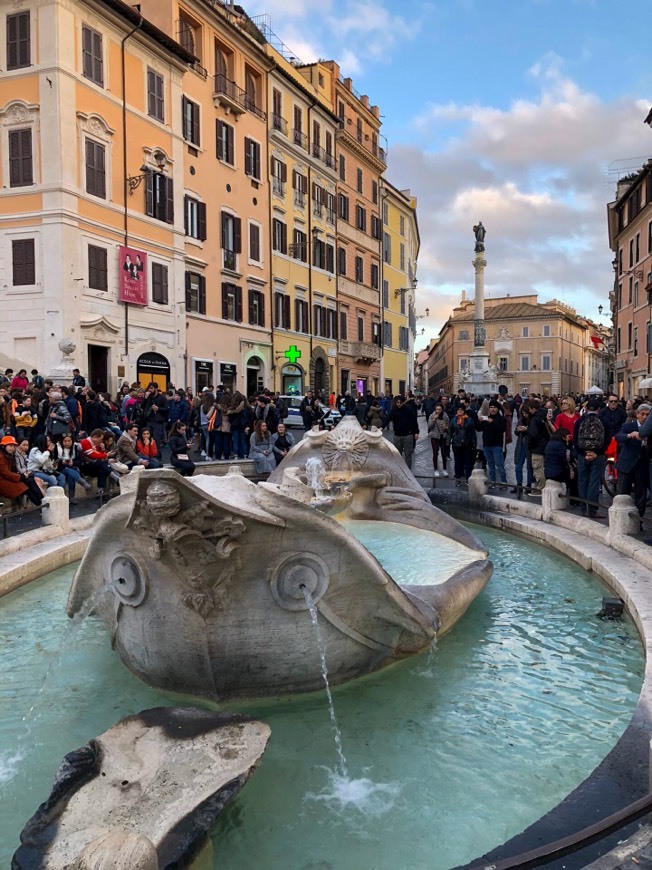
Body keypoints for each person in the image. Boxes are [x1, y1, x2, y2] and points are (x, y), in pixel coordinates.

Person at [573, 399, 610, 519]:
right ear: (599, 409)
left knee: (582, 481)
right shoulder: (603, 421)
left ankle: (584, 508)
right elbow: (607, 439)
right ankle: (592, 509)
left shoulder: (579, 421)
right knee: (594, 482)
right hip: (598, 456)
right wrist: (597, 453)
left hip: (582, 456)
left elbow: (575, 440)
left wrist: (584, 453)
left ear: (587, 408)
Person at [615, 403, 650, 520]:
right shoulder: (629, 426)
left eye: (647, 415)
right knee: (623, 494)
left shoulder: (650, 429)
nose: (645, 417)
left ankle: (638, 520)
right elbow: (619, 436)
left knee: (641, 495)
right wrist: (630, 436)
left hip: (642, 465)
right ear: (637, 414)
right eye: (642, 414)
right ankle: (621, 519)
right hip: (627, 464)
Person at [0, 435, 43, 505]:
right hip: (2, 482)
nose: (12, 448)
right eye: (10, 446)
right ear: (3, 446)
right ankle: (41, 505)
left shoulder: (9, 455)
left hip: (9, 478)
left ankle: (42, 502)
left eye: (14, 446)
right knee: (27, 489)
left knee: (30, 480)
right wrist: (21, 476)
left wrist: (23, 475)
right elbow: (6, 473)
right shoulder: (1, 457)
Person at [477, 399, 507, 487]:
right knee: (490, 465)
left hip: (497, 445)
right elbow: (479, 428)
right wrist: (480, 421)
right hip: (486, 445)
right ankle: (493, 481)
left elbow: (502, 429)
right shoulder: (486, 418)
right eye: (491, 407)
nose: (492, 409)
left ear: (497, 408)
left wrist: (493, 422)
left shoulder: (501, 419)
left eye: (494, 407)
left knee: (499, 464)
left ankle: (503, 482)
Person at [387, 395, 420, 469]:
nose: (399, 404)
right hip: (397, 436)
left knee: (408, 455)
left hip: (408, 435)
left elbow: (414, 421)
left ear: (403, 402)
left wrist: (416, 432)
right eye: (397, 402)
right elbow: (388, 419)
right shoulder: (393, 410)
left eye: (400, 402)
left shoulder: (409, 410)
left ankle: (408, 472)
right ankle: (400, 470)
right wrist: (382, 427)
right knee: (398, 455)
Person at [54, 433, 90, 497]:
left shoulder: (75, 447)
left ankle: (71, 496)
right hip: (62, 469)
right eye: (65, 441)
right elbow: (54, 462)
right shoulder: (57, 448)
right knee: (68, 470)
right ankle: (81, 482)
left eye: (69, 441)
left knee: (71, 473)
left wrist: (72, 462)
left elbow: (80, 462)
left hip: (74, 468)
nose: (67, 443)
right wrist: (62, 462)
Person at [79, 428, 115, 493]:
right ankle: (116, 477)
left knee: (102, 469)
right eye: (100, 439)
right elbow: (92, 455)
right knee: (101, 464)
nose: (101, 441)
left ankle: (100, 490)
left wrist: (103, 450)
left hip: (95, 465)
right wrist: (106, 455)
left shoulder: (96, 444)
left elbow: (100, 457)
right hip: (85, 466)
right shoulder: (85, 442)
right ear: (95, 437)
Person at [450, 406, 476, 486]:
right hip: (456, 443)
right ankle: (458, 478)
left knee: (467, 462)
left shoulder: (469, 420)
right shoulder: (453, 420)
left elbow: (472, 432)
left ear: (464, 411)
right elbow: (450, 431)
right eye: (458, 409)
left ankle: (468, 479)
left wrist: (474, 443)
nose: (460, 411)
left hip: (467, 443)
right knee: (457, 462)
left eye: (461, 409)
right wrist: (448, 442)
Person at [427, 404, 449, 477]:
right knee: (435, 452)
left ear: (442, 410)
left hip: (443, 436)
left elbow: (448, 427)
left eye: (440, 409)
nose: (438, 411)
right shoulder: (432, 416)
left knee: (443, 453)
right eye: (437, 409)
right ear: (435, 410)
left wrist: (446, 428)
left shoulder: (445, 416)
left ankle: (445, 469)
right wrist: (434, 419)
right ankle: (435, 469)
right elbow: (429, 426)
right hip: (434, 436)